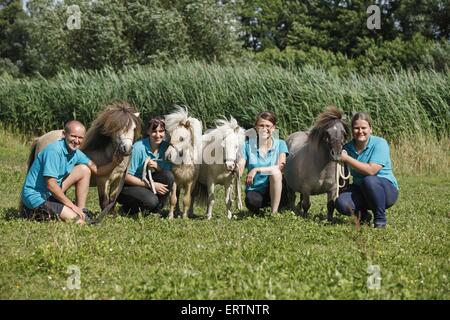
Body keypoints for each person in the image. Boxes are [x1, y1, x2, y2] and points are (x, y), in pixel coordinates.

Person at [21, 120, 123, 225]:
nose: (76, 141)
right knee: (77, 220)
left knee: (84, 169)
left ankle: (82, 209)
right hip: (37, 197)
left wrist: (114, 162)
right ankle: (30, 212)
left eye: (80, 138)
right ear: (64, 134)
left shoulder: (77, 153)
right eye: (73, 136)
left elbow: (97, 170)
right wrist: (71, 205)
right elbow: (51, 185)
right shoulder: (54, 151)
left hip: (50, 195)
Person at [335, 112, 399, 228]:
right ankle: (364, 215)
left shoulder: (380, 143)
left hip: (385, 191)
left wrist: (347, 158)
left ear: (370, 129)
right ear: (352, 130)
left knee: (369, 180)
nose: (360, 131)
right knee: (341, 203)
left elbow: (371, 171)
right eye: (356, 128)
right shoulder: (347, 148)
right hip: (361, 189)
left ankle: (380, 220)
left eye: (364, 128)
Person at [117, 116, 174, 215]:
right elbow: (125, 177)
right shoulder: (138, 148)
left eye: (161, 131)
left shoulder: (166, 147)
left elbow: (168, 171)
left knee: (168, 176)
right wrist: (152, 185)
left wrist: (157, 167)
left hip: (147, 182)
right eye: (154, 131)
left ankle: (156, 210)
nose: (158, 135)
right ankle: (127, 209)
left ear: (165, 132)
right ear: (148, 131)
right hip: (129, 185)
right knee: (151, 201)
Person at [238, 111, 289, 214]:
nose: (265, 129)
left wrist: (256, 170)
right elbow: (240, 166)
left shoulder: (281, 144)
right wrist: (234, 168)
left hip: (277, 189)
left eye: (268, 126)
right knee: (252, 202)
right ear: (256, 128)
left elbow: (281, 167)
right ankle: (263, 207)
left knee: (275, 173)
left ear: (273, 128)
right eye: (261, 125)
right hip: (256, 190)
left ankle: (274, 213)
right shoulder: (246, 146)